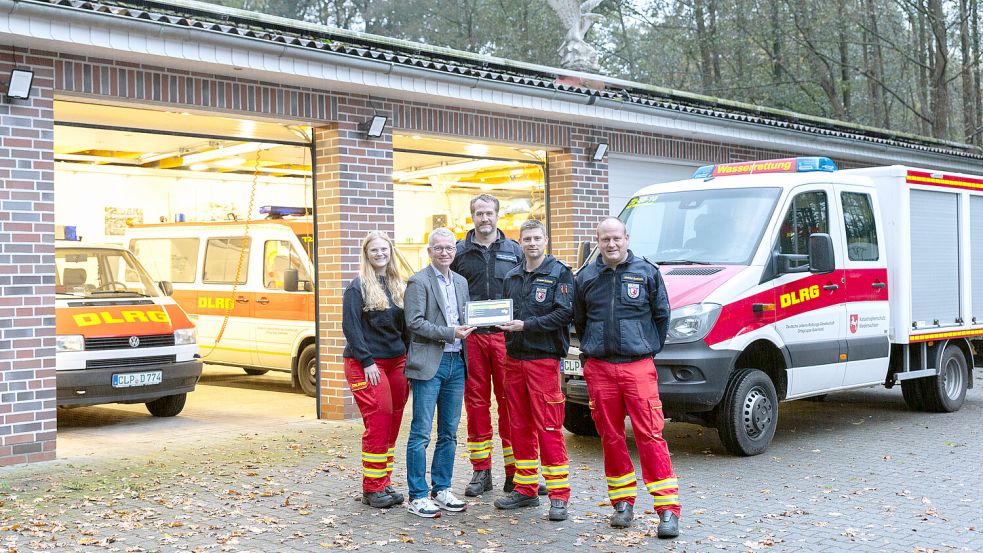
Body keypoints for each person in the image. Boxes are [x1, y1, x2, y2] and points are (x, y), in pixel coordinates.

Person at [573, 217, 681, 539]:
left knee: (650, 435)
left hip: (637, 368)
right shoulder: (586, 277)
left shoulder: (647, 272)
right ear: (598, 242)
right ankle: (622, 503)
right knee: (611, 438)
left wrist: (646, 348)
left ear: (627, 238)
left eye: (616, 238)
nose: (611, 244)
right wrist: (593, 353)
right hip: (601, 369)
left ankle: (667, 510)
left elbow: (662, 316)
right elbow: (580, 320)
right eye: (605, 240)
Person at [451, 194, 544, 497]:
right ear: (472, 217)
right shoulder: (459, 252)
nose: (485, 219)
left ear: (497, 215)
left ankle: (516, 473)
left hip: (505, 338)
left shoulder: (514, 250)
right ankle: (481, 473)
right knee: (476, 405)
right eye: (479, 214)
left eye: (489, 213)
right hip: (473, 338)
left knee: (511, 404)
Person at [494, 219, 574, 522]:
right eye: (526, 238)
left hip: (543, 360)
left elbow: (564, 312)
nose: (531, 243)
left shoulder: (560, 273)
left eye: (536, 238)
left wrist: (526, 325)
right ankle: (525, 489)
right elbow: (504, 311)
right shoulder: (512, 276)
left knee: (549, 427)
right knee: (519, 426)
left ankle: (559, 496)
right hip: (514, 359)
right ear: (520, 242)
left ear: (546, 240)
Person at [403, 227, 475, 518]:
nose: (444, 252)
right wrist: (450, 332)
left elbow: (466, 315)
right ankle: (417, 495)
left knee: (449, 431)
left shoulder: (460, 281)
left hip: (457, 363)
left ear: (455, 252)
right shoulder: (418, 281)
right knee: (420, 432)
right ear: (429, 250)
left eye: (449, 248)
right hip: (429, 365)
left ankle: (441, 488)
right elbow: (414, 322)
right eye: (439, 248)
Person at [342, 231, 409, 509]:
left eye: (384, 249)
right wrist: (367, 361)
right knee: (379, 421)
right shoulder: (357, 287)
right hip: (367, 364)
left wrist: (409, 359)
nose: (380, 254)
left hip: (397, 362)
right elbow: (352, 328)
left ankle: (384, 481)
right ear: (366, 254)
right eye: (374, 250)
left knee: (393, 423)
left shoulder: (399, 285)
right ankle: (372, 488)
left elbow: (406, 328)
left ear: (390, 251)